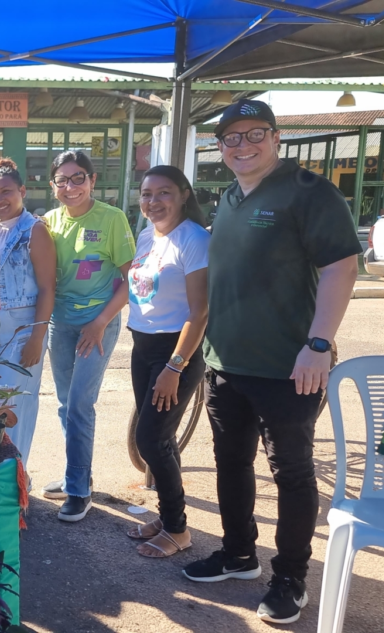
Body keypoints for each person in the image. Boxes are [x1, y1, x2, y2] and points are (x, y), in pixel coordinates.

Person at [181, 100, 360, 625]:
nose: (242, 146)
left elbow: (341, 267)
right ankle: (238, 555)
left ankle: (290, 579)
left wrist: (319, 344)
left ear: (276, 137)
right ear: (220, 147)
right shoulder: (232, 197)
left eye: (254, 134)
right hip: (227, 364)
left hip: (289, 367)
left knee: (292, 474)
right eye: (231, 138)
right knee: (231, 464)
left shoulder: (309, 192)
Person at [41, 150, 136, 523]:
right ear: (53, 187)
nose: (70, 186)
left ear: (93, 181)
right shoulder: (49, 222)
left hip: (96, 325)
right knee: (66, 405)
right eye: (62, 180)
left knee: (80, 404)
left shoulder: (112, 219)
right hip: (59, 325)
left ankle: (79, 491)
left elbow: (134, 281)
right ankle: (75, 473)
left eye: (78, 177)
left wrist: (100, 322)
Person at [125, 165, 210, 558]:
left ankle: (178, 529)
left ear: (183, 195)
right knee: (162, 439)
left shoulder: (193, 239)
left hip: (173, 352)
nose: (153, 201)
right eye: (146, 194)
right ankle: (169, 518)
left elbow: (200, 311)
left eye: (163, 193)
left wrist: (174, 367)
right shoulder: (146, 236)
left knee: (150, 439)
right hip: (142, 347)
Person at [0, 158, 55, 468]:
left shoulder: (35, 230)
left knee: (12, 410)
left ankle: (17, 483)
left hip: (19, 331)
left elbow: (47, 288)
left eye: (6, 192)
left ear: (23, 191)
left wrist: (37, 336)